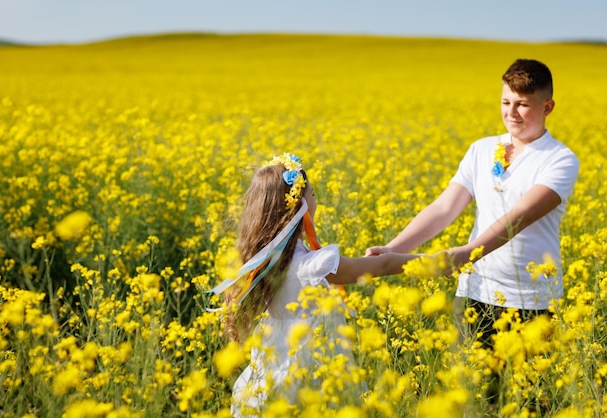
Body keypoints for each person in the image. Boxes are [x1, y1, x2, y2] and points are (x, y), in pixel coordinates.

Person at [366, 58, 579, 349]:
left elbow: (520, 217)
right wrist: (394, 248)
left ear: (548, 107)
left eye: (523, 105)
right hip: (474, 292)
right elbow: (443, 209)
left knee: (527, 394)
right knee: (472, 391)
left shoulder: (560, 159)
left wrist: (467, 254)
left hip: (530, 299)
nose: (511, 113)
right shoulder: (482, 149)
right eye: (506, 102)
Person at [210, 153, 421, 417]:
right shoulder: (311, 265)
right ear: (299, 205)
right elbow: (383, 266)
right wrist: (433, 262)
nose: (315, 199)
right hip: (315, 377)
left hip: (271, 380)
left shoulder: (257, 264)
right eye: (313, 194)